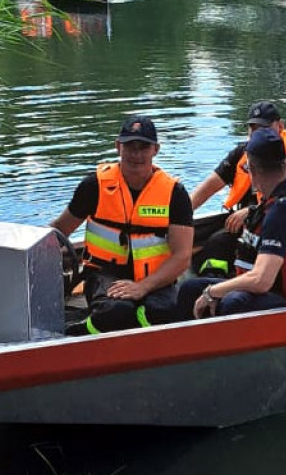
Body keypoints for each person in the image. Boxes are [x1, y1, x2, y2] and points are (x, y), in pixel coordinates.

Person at [50, 115, 194, 333]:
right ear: (118, 147)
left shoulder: (175, 193)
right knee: (117, 312)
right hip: (104, 274)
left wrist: (142, 287)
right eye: (130, 146)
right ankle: (76, 333)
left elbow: (182, 256)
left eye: (143, 147)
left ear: (155, 149)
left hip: (156, 279)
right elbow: (60, 231)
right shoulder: (94, 186)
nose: (136, 154)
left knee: (166, 312)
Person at [177, 128, 286, 319]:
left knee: (231, 302)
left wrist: (212, 292)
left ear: (253, 171)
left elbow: (261, 280)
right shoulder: (278, 199)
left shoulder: (283, 211)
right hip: (273, 290)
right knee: (190, 289)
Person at [189, 100, 286, 278]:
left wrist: (251, 211)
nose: (257, 133)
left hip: (271, 225)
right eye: (253, 128)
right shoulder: (241, 154)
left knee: (218, 242)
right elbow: (209, 187)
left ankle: (215, 284)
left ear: (280, 126)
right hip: (241, 223)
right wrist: (180, 213)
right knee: (191, 233)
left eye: (264, 128)